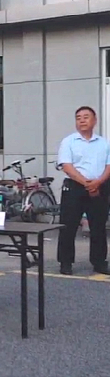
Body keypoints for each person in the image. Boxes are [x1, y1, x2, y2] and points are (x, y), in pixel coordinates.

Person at [56, 106, 110, 275]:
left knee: (98, 226)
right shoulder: (69, 142)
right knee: (68, 226)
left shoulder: (104, 143)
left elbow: (108, 166)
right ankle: (65, 262)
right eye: (78, 118)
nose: (82, 120)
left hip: (100, 186)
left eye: (86, 117)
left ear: (95, 120)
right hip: (75, 187)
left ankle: (99, 262)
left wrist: (98, 182)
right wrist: (87, 184)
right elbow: (67, 166)